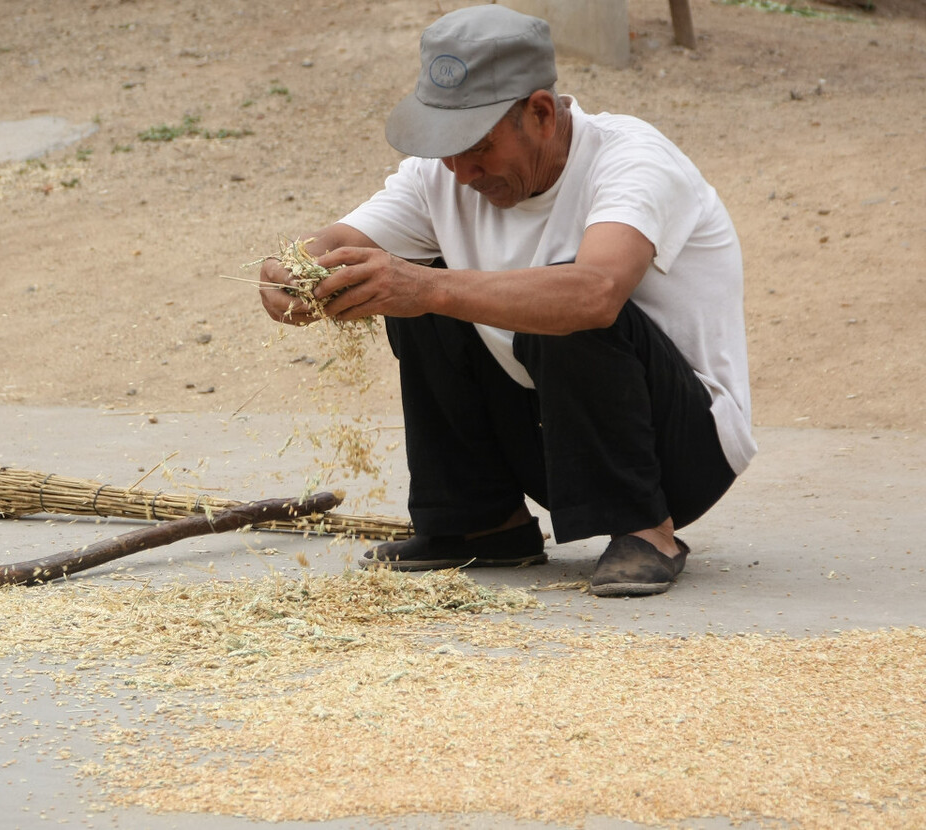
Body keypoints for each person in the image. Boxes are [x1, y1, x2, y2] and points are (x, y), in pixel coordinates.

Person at [258, 5, 755, 597]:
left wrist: (425, 288)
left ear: (541, 114)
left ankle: (647, 531)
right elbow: (343, 243)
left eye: (478, 147)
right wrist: (297, 272)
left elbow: (596, 294)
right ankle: (479, 524)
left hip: (680, 454)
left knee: (535, 294)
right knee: (406, 278)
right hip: (553, 439)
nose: (462, 171)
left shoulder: (634, 161)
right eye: (444, 147)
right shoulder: (441, 175)